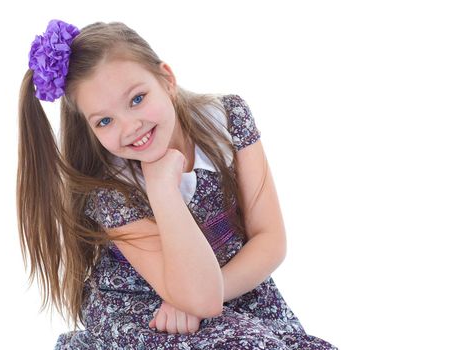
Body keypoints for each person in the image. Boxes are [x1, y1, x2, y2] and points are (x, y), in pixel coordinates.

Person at [17, 19, 338, 349]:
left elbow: (269, 240)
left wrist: (207, 293)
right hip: (145, 306)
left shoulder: (226, 119)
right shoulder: (111, 191)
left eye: (138, 99)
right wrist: (161, 188)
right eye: (105, 121)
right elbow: (201, 297)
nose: (130, 126)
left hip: (229, 285)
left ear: (166, 80)